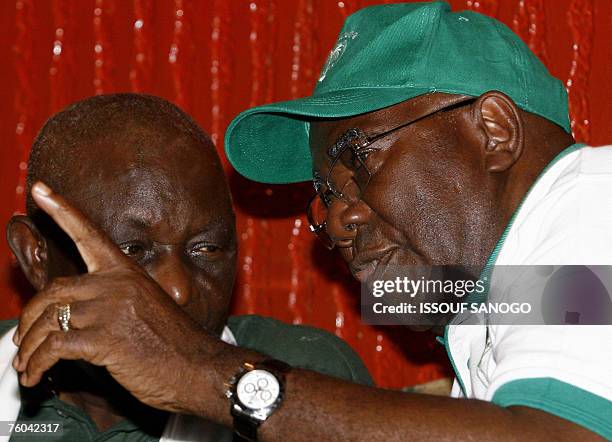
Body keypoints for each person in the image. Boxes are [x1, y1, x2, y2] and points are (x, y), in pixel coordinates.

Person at [7, 3, 611, 441]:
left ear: (494, 131)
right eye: (324, 192)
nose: (338, 219)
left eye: (360, 160)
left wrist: (200, 372)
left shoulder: (593, 201)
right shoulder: (512, 298)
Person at [1, 93, 371, 441]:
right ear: (35, 253)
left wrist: (211, 378)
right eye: (132, 250)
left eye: (207, 248)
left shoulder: (299, 375)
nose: (179, 289)